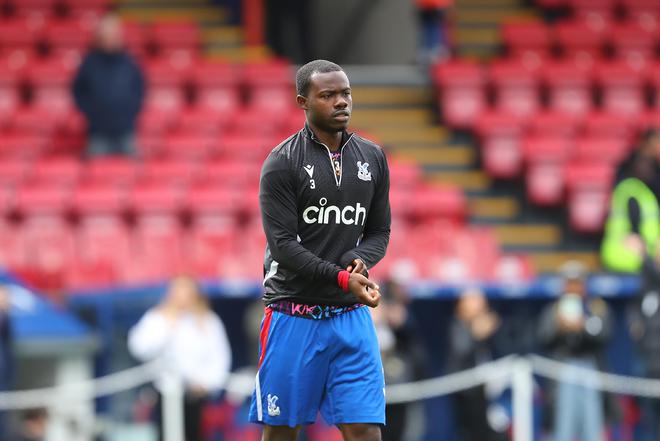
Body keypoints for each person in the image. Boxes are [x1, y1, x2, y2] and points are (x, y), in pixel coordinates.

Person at [248, 59, 391, 441]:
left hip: (350, 316)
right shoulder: (282, 162)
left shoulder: (373, 157)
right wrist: (342, 278)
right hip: (293, 312)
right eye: (328, 95)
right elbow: (283, 246)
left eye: (345, 93)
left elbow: (379, 231)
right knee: (282, 432)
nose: (341, 102)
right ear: (303, 102)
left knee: (365, 430)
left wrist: (361, 259)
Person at [128, 276, 232, 441]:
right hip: (165, 394)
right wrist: (167, 327)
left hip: (197, 396)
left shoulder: (208, 321)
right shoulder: (157, 317)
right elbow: (139, 347)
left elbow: (220, 357)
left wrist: (207, 383)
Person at [538, 261, 612, 441]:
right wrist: (559, 327)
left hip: (590, 366)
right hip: (563, 366)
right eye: (569, 283)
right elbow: (543, 338)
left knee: (592, 424)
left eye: (577, 283)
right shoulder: (554, 309)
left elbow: (605, 335)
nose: (573, 287)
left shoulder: (595, 306)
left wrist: (583, 326)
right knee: (563, 424)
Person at [72, 13, 144, 157]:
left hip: (125, 131)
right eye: (106, 34)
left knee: (134, 167)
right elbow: (78, 91)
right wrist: (91, 113)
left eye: (113, 34)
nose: (110, 38)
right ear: (99, 37)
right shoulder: (89, 63)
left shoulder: (130, 63)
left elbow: (140, 90)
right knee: (94, 169)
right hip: (98, 133)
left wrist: (130, 113)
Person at [449, 287, 508, 441]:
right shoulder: (458, 324)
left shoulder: (483, 325)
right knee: (471, 432)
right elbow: (461, 351)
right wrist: (475, 334)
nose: (481, 307)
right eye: (475, 302)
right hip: (467, 391)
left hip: (487, 389)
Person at [371, 279, 427, 441]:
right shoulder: (363, 324)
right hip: (372, 396)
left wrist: (401, 326)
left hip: (400, 394)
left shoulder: (404, 328)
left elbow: (418, 359)